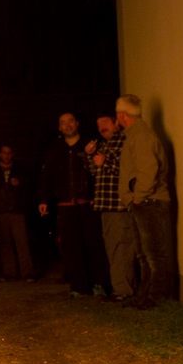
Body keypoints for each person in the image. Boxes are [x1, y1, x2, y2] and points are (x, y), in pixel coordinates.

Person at [116, 94, 177, 308]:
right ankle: (146, 296)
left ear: (122, 115)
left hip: (150, 202)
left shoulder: (140, 136)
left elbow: (148, 170)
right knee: (146, 254)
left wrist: (137, 198)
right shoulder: (136, 135)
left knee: (154, 254)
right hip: (145, 201)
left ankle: (157, 298)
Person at [38, 112, 108, 296]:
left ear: (77, 124)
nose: (67, 125)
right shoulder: (54, 150)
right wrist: (43, 199)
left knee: (93, 245)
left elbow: (98, 173)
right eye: (63, 123)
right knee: (71, 248)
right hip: (65, 207)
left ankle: (98, 283)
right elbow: (47, 177)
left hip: (88, 204)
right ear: (59, 127)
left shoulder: (90, 145)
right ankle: (79, 286)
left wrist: (95, 195)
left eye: (70, 121)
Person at [87, 111, 138, 301]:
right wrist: (90, 155)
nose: (102, 127)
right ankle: (121, 289)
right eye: (99, 124)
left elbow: (127, 170)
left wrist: (105, 161)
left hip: (118, 205)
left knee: (121, 248)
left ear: (116, 122)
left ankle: (124, 291)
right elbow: (95, 171)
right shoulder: (104, 144)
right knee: (113, 248)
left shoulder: (122, 141)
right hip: (105, 205)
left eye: (105, 122)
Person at [0, 144, 35, 282]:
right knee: (5, 244)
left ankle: (27, 272)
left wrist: (20, 183)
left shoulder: (20, 169)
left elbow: (29, 188)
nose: (6, 155)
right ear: (0, 154)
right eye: (4, 153)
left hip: (16, 212)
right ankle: (9, 272)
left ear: (12, 154)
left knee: (22, 242)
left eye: (9, 153)